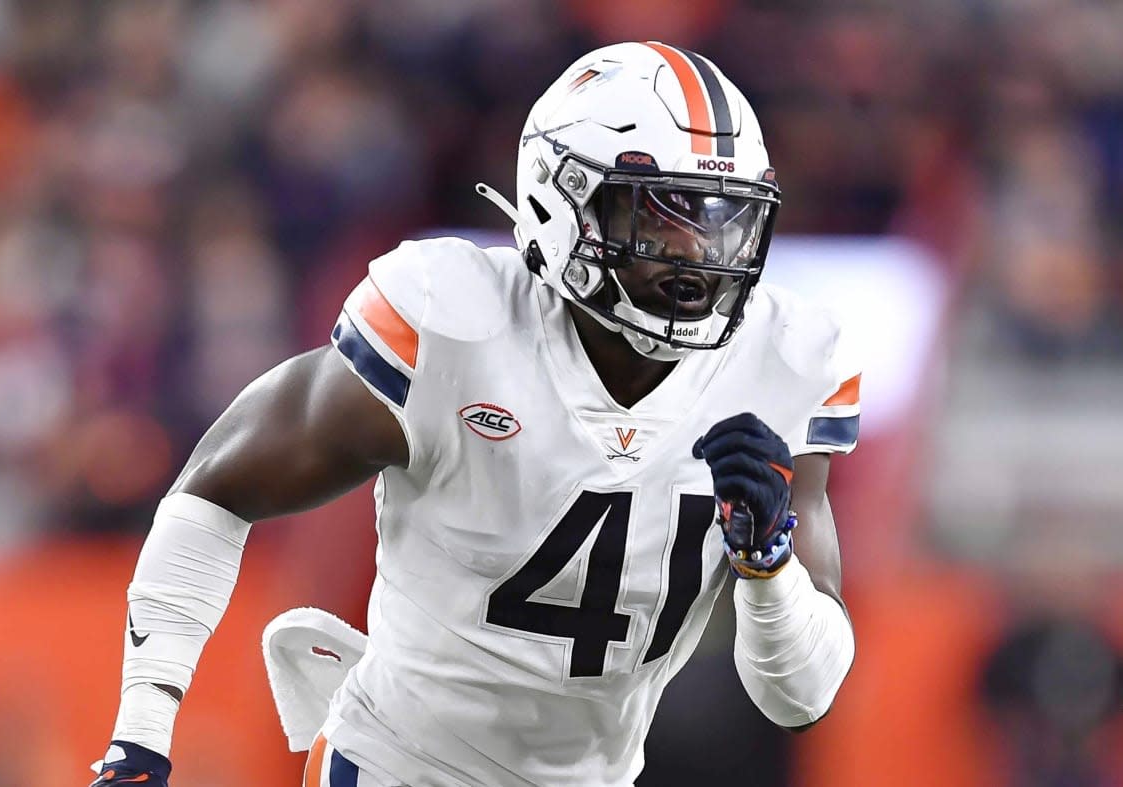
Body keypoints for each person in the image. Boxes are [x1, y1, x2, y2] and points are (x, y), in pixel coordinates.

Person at [92, 41, 858, 787]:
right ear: (563, 201)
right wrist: (142, 733)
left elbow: (804, 698)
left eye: (719, 218)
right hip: (397, 766)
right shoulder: (453, 325)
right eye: (659, 215)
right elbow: (217, 487)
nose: (696, 253)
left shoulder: (782, 364)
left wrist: (768, 566)